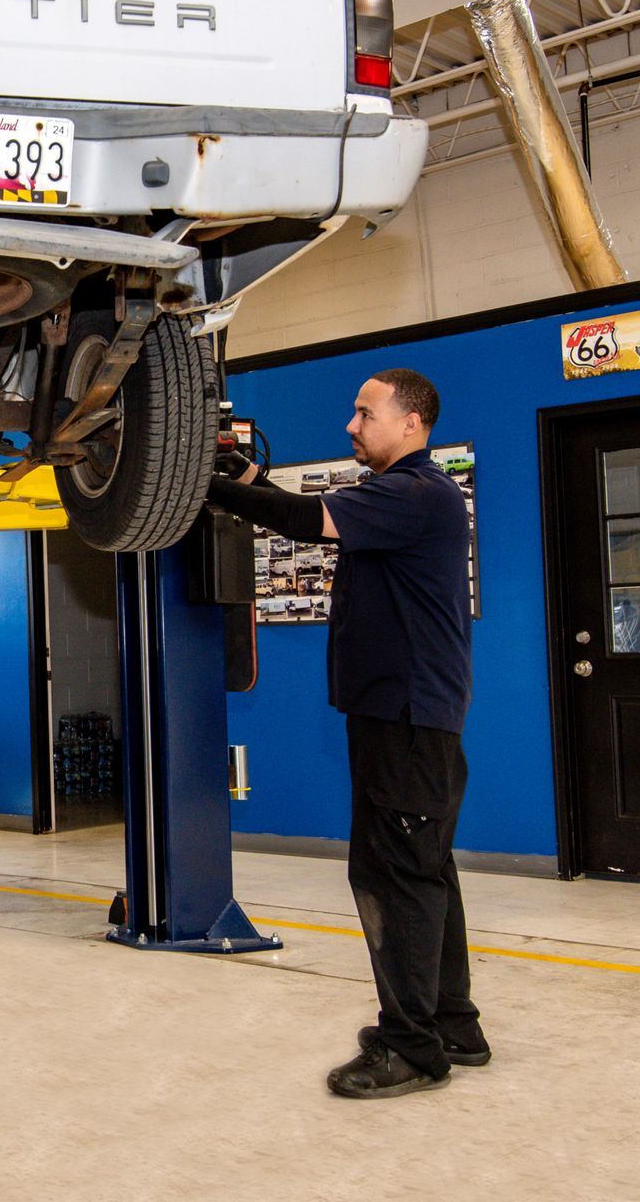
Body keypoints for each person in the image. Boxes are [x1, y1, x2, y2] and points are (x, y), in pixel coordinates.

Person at [209, 368, 483, 1100]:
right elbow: (319, 513)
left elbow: (306, 523)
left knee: (395, 878)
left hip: (406, 719)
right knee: (426, 869)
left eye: (365, 414)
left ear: (412, 424)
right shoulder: (406, 498)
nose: (351, 426)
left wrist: (199, 487)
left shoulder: (418, 491)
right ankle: (454, 1022)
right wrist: (253, 477)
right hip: (407, 718)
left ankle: (412, 1048)